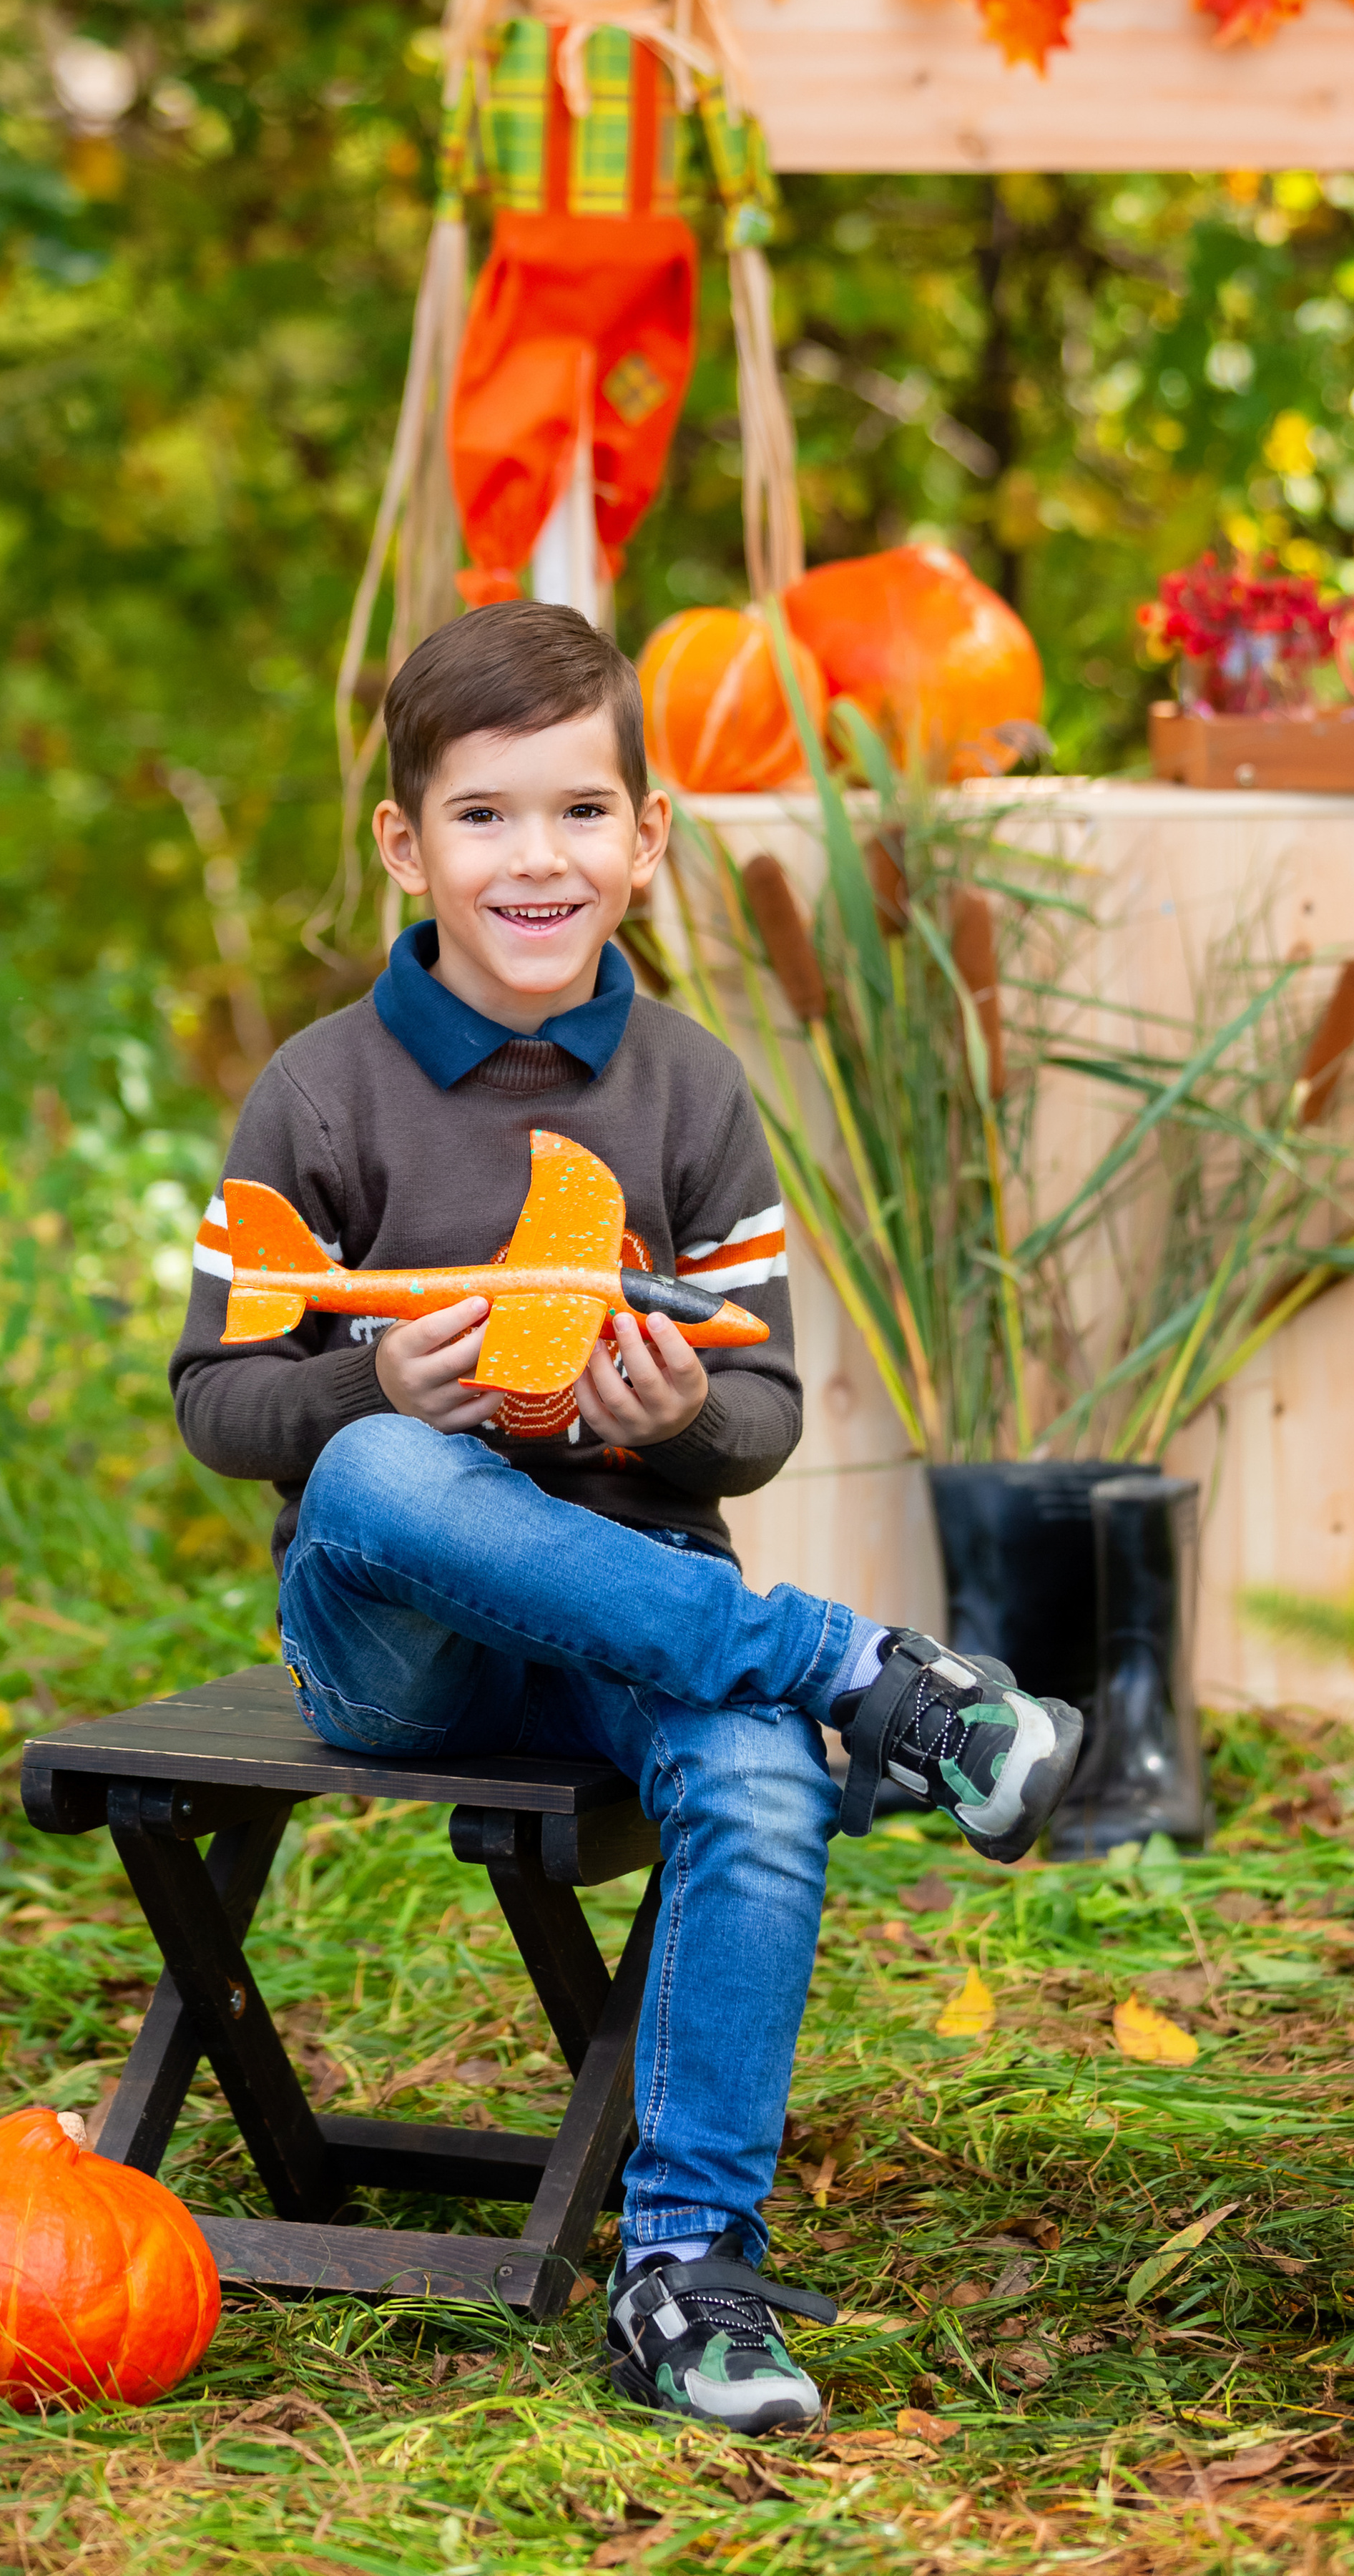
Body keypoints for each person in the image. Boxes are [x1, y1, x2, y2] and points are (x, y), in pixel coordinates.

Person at [172, 602, 1082, 2437]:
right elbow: (220, 1401)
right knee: (370, 1470)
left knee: (750, 1769)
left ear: (648, 842)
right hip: (400, 1652)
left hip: (641, 1617)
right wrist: (377, 1388)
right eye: (486, 817)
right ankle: (874, 1677)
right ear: (403, 845)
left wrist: (684, 1426)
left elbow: (757, 1404)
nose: (536, 859)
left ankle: (684, 2271)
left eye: (581, 814)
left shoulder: (688, 1090)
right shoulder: (319, 1093)